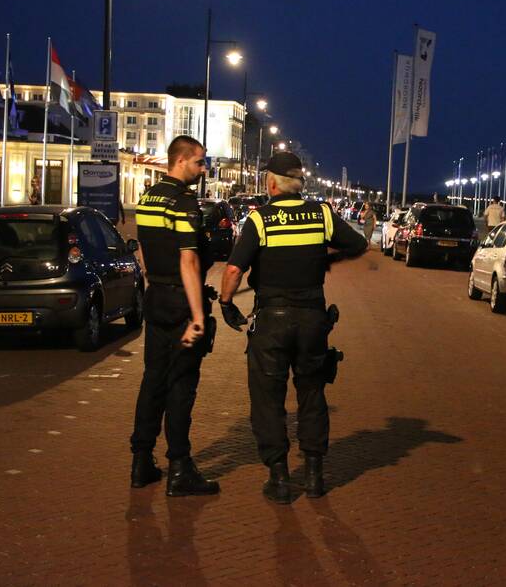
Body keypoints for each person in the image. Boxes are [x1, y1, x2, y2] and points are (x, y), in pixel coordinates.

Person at [219, 151, 367, 504]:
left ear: (271, 183)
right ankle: (315, 475)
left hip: (272, 319)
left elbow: (233, 271)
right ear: (299, 184)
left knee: (268, 398)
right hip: (313, 319)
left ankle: (281, 478)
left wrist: (225, 304)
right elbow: (359, 244)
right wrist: (329, 258)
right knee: (312, 392)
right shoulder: (322, 215)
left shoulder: (260, 220)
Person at [129, 135, 220, 496]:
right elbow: (188, 258)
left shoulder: (148, 197)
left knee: (153, 380)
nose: (203, 169)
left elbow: (149, 251)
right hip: (181, 301)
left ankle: (141, 460)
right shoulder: (184, 202)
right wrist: (197, 316)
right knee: (181, 385)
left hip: (156, 298)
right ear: (181, 160)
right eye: (199, 162)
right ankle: (180, 468)